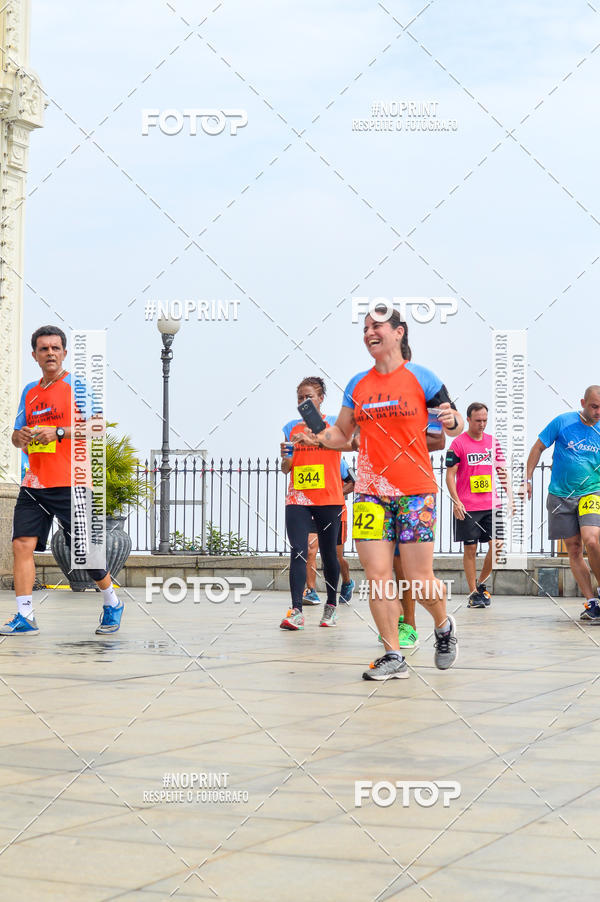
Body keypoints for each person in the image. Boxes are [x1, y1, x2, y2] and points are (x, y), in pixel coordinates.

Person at [307, 305, 464, 680]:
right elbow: (342, 435)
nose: (368, 333)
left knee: (419, 579)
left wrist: (452, 419)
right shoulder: (357, 385)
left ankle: (443, 626)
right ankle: (393, 655)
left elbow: (453, 425)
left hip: (415, 492)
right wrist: (318, 436)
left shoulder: (422, 378)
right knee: (378, 576)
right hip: (370, 493)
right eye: (364, 329)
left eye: (376, 326)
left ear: (398, 332)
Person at [0, 326, 123, 636]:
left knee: (87, 556)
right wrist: (20, 436)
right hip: (34, 485)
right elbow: (15, 435)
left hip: (72, 483)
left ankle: (112, 601)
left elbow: (97, 427)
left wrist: (57, 432)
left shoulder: (76, 387)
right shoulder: (30, 391)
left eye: (55, 348)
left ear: (65, 353)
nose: (50, 353)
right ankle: (25, 616)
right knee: (21, 544)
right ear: (35, 355)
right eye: (44, 349)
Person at [526, 386, 600, 621]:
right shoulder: (563, 422)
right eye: (594, 406)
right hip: (560, 495)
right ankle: (592, 602)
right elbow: (538, 447)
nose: (598, 412)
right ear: (583, 403)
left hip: (591, 492)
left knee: (591, 540)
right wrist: (527, 479)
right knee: (574, 548)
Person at [279, 377, 344, 630]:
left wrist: (315, 438)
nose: (304, 401)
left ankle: (331, 605)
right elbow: (286, 468)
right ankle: (296, 610)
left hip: (328, 498)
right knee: (298, 550)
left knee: (328, 554)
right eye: (300, 398)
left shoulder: (334, 425)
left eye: (309, 397)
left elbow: (346, 444)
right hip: (298, 498)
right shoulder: (291, 428)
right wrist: (286, 456)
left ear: (320, 399)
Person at [445, 402, 514, 608]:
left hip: (492, 504)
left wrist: (511, 497)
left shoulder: (493, 442)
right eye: (478, 420)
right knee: (470, 549)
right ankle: (473, 593)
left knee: (497, 546)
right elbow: (450, 475)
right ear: (468, 419)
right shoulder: (458, 444)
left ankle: (480, 583)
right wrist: (456, 501)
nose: (482, 424)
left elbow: (501, 471)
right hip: (468, 506)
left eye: (485, 420)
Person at [303, 459, 355, 605]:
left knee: (335, 556)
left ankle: (347, 582)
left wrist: (334, 494)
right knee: (310, 550)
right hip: (313, 511)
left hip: (336, 512)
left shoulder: (339, 460)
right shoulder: (306, 458)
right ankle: (311, 591)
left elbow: (354, 482)